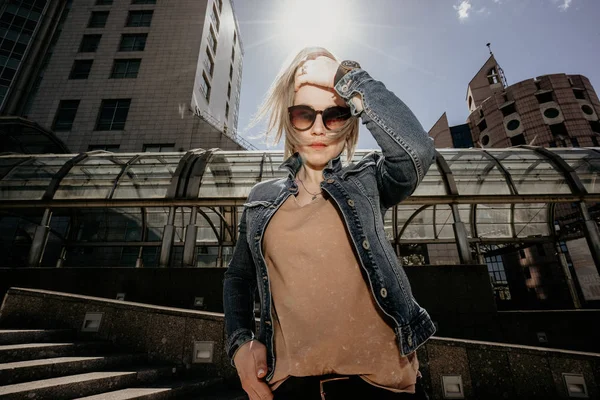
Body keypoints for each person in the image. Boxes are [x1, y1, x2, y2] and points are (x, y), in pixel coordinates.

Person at [223, 46, 436, 400]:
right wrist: (239, 345)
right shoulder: (261, 198)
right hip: (289, 389)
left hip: (381, 387)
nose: (319, 128)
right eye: (304, 114)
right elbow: (238, 278)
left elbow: (418, 152)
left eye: (335, 114)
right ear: (287, 118)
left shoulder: (368, 181)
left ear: (350, 119)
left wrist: (347, 76)